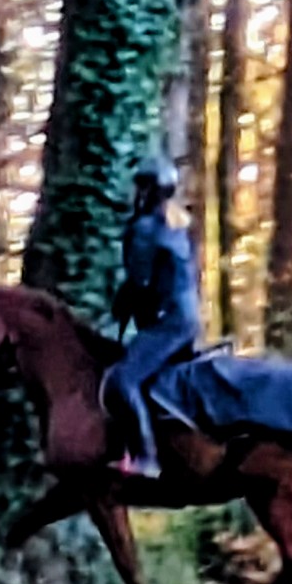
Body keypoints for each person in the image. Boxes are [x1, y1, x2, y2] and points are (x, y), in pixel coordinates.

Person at [103, 153, 202, 479]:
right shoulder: (177, 225)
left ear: (149, 190)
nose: (137, 193)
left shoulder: (146, 228)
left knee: (123, 379)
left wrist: (120, 307)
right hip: (185, 318)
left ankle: (147, 457)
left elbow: (140, 282)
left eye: (141, 186)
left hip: (168, 321)